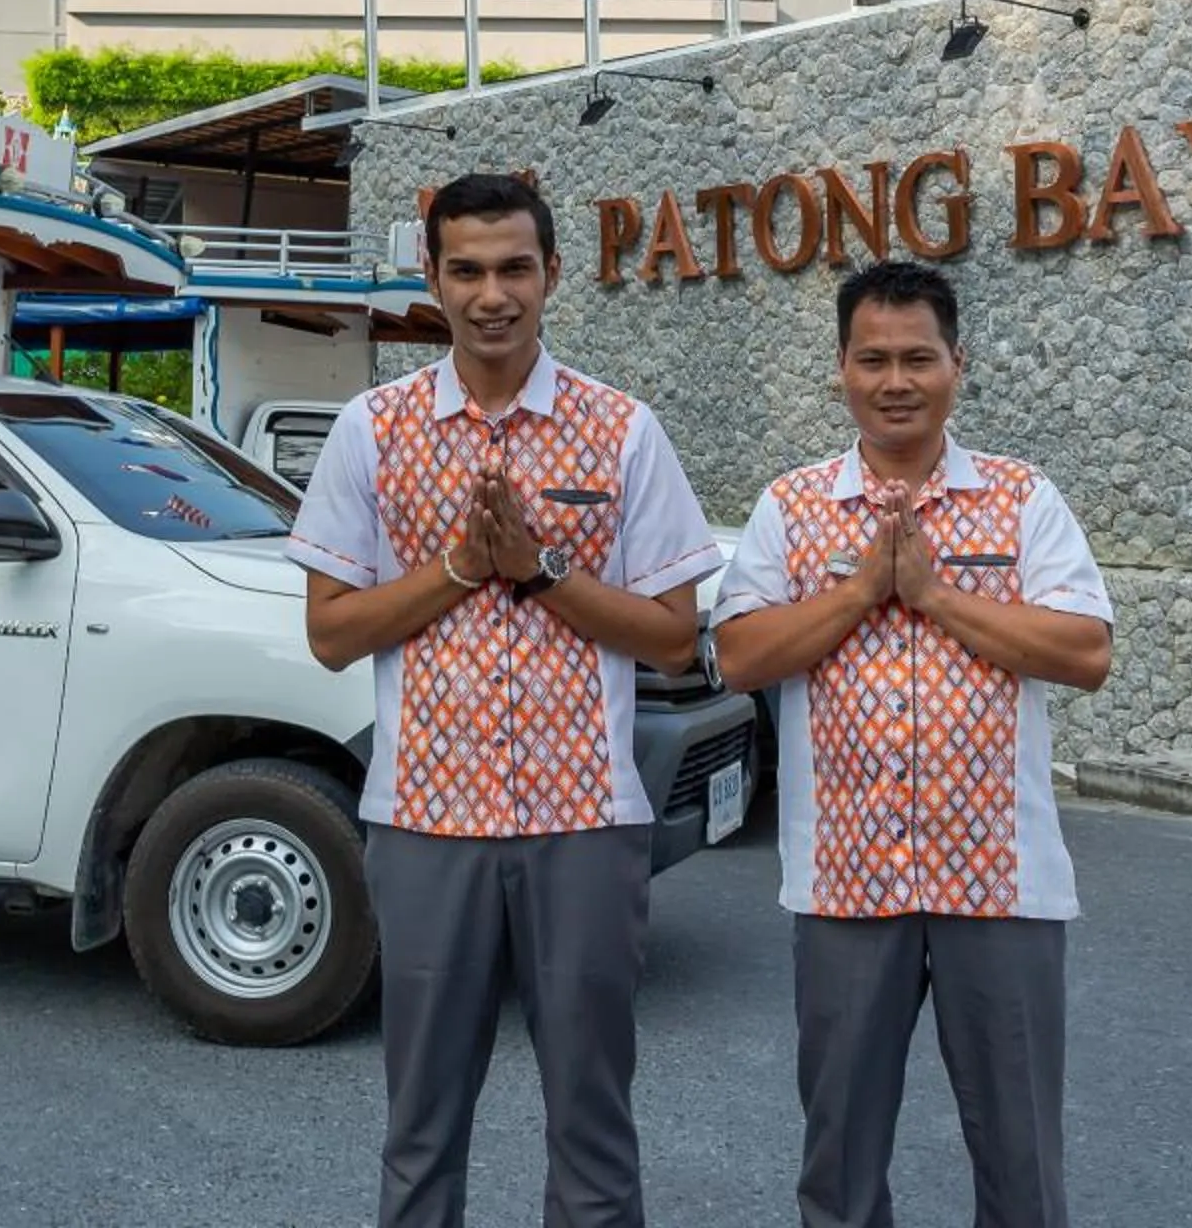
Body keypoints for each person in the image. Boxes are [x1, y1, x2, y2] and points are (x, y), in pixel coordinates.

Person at [290, 171, 722, 1228]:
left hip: (586, 822)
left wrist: (538, 572)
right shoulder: (372, 429)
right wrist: (457, 570)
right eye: (469, 269)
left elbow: (674, 631)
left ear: (553, 274)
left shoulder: (621, 429)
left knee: (593, 1122)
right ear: (431, 278)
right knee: (422, 1124)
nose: (494, 293)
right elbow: (331, 631)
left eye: (516, 267)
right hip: (426, 820)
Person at [709, 259, 1115, 1228]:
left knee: (1022, 1166)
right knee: (840, 1161)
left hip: (1003, 880)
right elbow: (739, 654)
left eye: (918, 358)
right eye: (874, 357)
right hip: (845, 883)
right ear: (842, 368)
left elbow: (1086, 649)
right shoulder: (792, 506)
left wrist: (933, 593)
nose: (897, 379)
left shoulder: (1023, 499)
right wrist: (859, 592)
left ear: (957, 363)